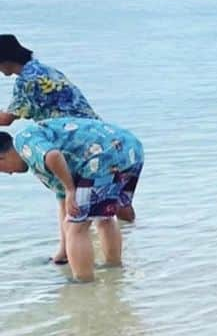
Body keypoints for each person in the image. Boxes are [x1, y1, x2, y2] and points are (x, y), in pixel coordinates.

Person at [0, 34, 125, 264]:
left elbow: (6, 119)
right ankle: (73, 253)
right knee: (98, 207)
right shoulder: (43, 69)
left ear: (5, 60)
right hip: (97, 136)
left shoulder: (26, 80)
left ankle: (73, 261)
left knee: (72, 206)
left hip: (75, 142)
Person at [0, 117, 144, 282]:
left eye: (2, 170)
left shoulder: (23, 142)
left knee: (77, 226)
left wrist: (70, 190)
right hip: (130, 149)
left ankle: (83, 282)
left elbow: (53, 156)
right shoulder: (38, 158)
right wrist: (62, 253)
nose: (9, 173)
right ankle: (114, 270)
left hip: (103, 157)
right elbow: (63, 203)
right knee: (104, 217)